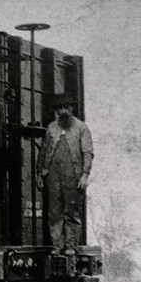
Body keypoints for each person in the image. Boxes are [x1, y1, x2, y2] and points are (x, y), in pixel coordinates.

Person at [36, 94, 94, 254]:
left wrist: (84, 175)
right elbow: (43, 152)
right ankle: (57, 245)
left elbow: (88, 152)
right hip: (53, 174)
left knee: (72, 211)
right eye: (59, 108)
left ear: (72, 108)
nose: (63, 111)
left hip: (73, 175)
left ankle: (70, 246)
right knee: (54, 212)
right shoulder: (51, 128)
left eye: (66, 107)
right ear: (56, 111)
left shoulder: (81, 128)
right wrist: (40, 174)